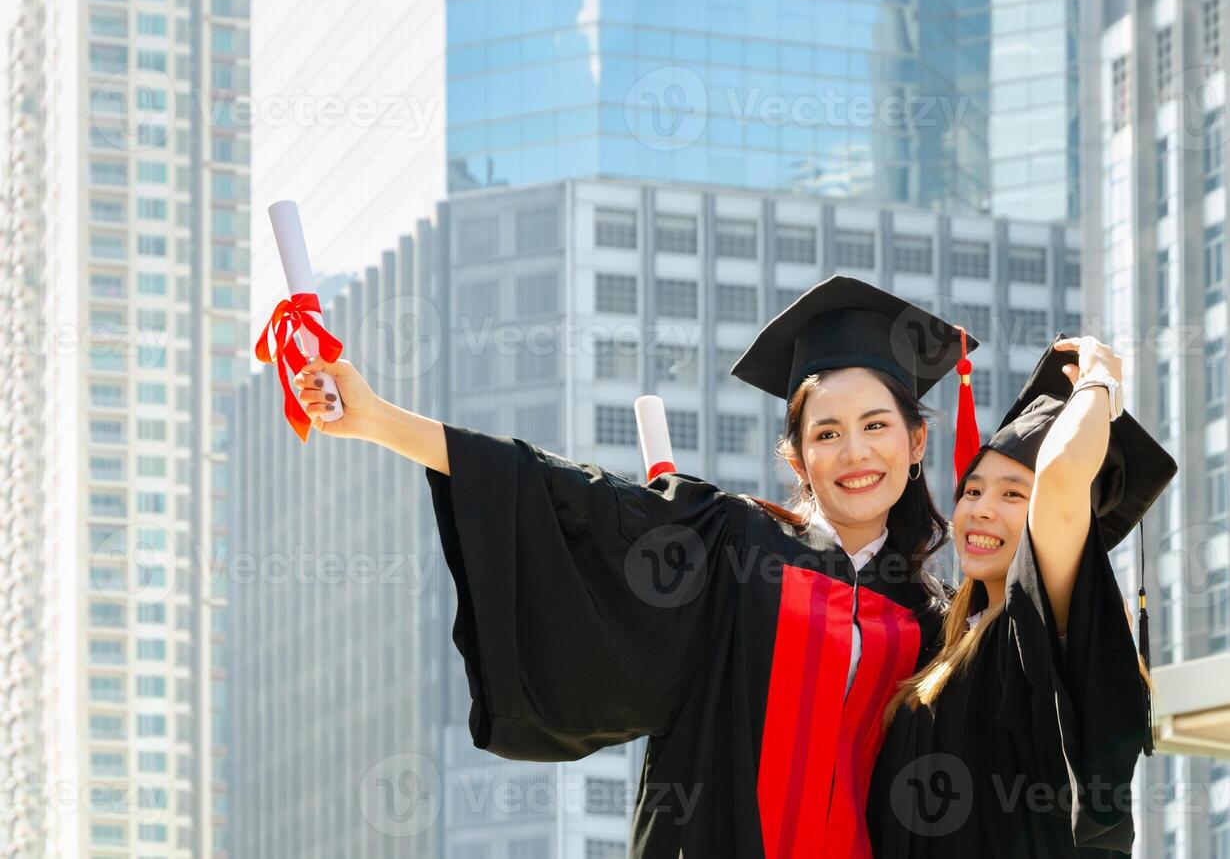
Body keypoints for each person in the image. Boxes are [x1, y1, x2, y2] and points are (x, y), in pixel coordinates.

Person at [290, 275, 978, 858]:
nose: (855, 452)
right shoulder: (731, 545)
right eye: (826, 433)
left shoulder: (941, 617)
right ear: (796, 458)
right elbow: (570, 497)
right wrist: (378, 419)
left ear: (917, 442)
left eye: (877, 425)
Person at [866, 333, 1178, 858]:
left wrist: (1100, 381)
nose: (981, 509)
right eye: (973, 489)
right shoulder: (943, 641)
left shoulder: (1041, 628)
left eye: (1013, 494)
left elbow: (1058, 483)